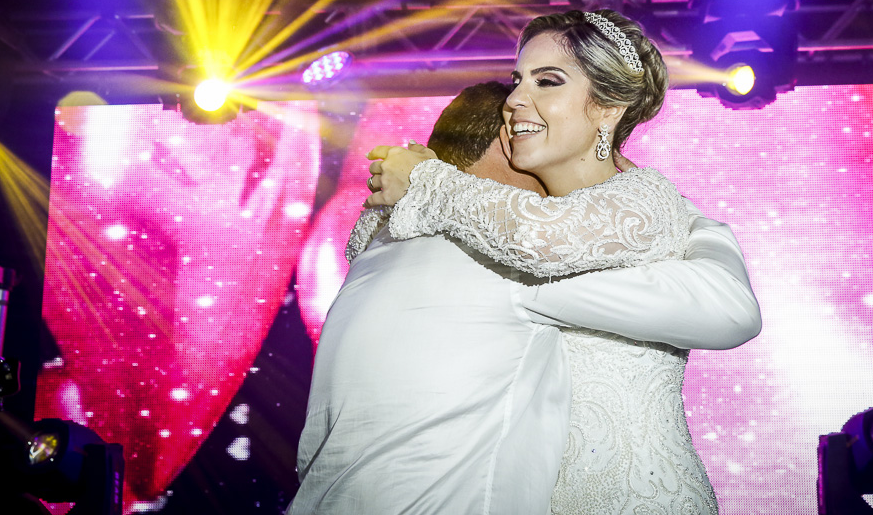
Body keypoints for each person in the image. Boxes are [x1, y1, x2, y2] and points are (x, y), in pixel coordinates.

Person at [289, 79, 760, 515]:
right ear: (508, 142)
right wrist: (697, 222)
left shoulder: (381, 249)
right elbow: (728, 308)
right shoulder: (497, 258)